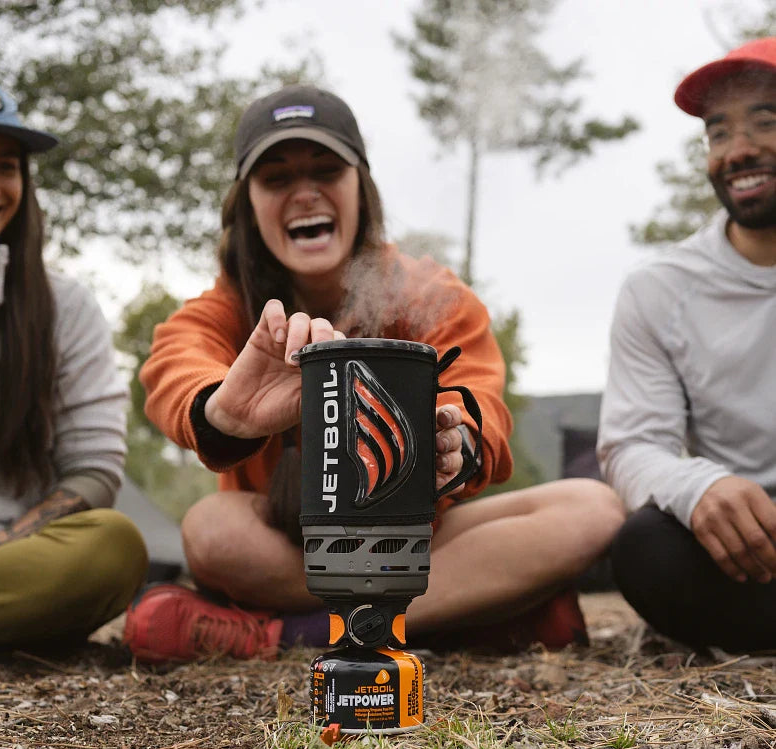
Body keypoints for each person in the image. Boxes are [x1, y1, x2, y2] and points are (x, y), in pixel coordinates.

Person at [124, 85, 624, 663]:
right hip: (284, 545)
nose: (305, 192)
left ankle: (287, 635)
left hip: (411, 541)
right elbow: (174, 361)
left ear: (361, 188)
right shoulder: (228, 307)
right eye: (277, 178)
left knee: (593, 507)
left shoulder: (427, 293)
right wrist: (221, 411)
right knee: (211, 529)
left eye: (326, 170)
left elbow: (476, 396)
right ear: (247, 205)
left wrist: (456, 443)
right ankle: (473, 609)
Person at [0, 78, 147, 652]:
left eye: (6, 167)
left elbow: (95, 471)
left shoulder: (68, 306)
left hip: (9, 564)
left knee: (113, 546)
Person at [597, 37, 776, 652]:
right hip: (754, 541)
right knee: (646, 547)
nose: (739, 150)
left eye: (765, 122)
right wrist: (698, 488)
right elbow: (633, 445)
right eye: (718, 132)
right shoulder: (658, 288)